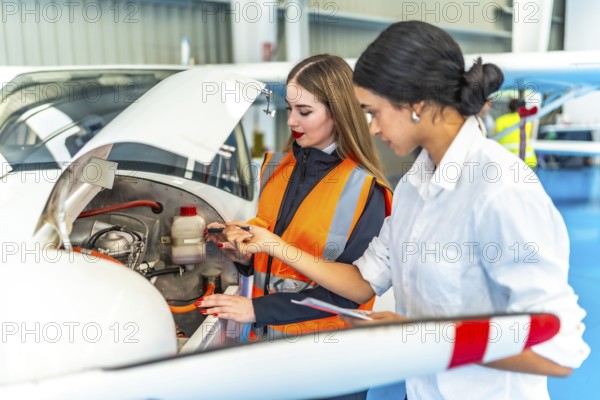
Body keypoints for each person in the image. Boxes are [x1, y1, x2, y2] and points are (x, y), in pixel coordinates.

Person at [211, 21, 590, 400]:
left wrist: (419, 336)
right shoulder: (413, 186)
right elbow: (362, 281)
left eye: (374, 112)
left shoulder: (501, 189)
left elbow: (555, 351)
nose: (371, 128)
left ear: (416, 105)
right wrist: (274, 246)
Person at [204, 54, 392, 341]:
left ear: (339, 113)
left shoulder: (367, 190)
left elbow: (352, 294)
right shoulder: (276, 168)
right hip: (266, 341)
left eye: (304, 111)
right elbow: (278, 268)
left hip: (325, 356)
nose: (291, 120)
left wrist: (258, 308)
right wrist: (244, 255)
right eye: (289, 108)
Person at [494, 98, 538, 167]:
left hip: (507, 161)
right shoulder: (528, 120)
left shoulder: (500, 120)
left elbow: (494, 139)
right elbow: (531, 135)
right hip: (529, 161)